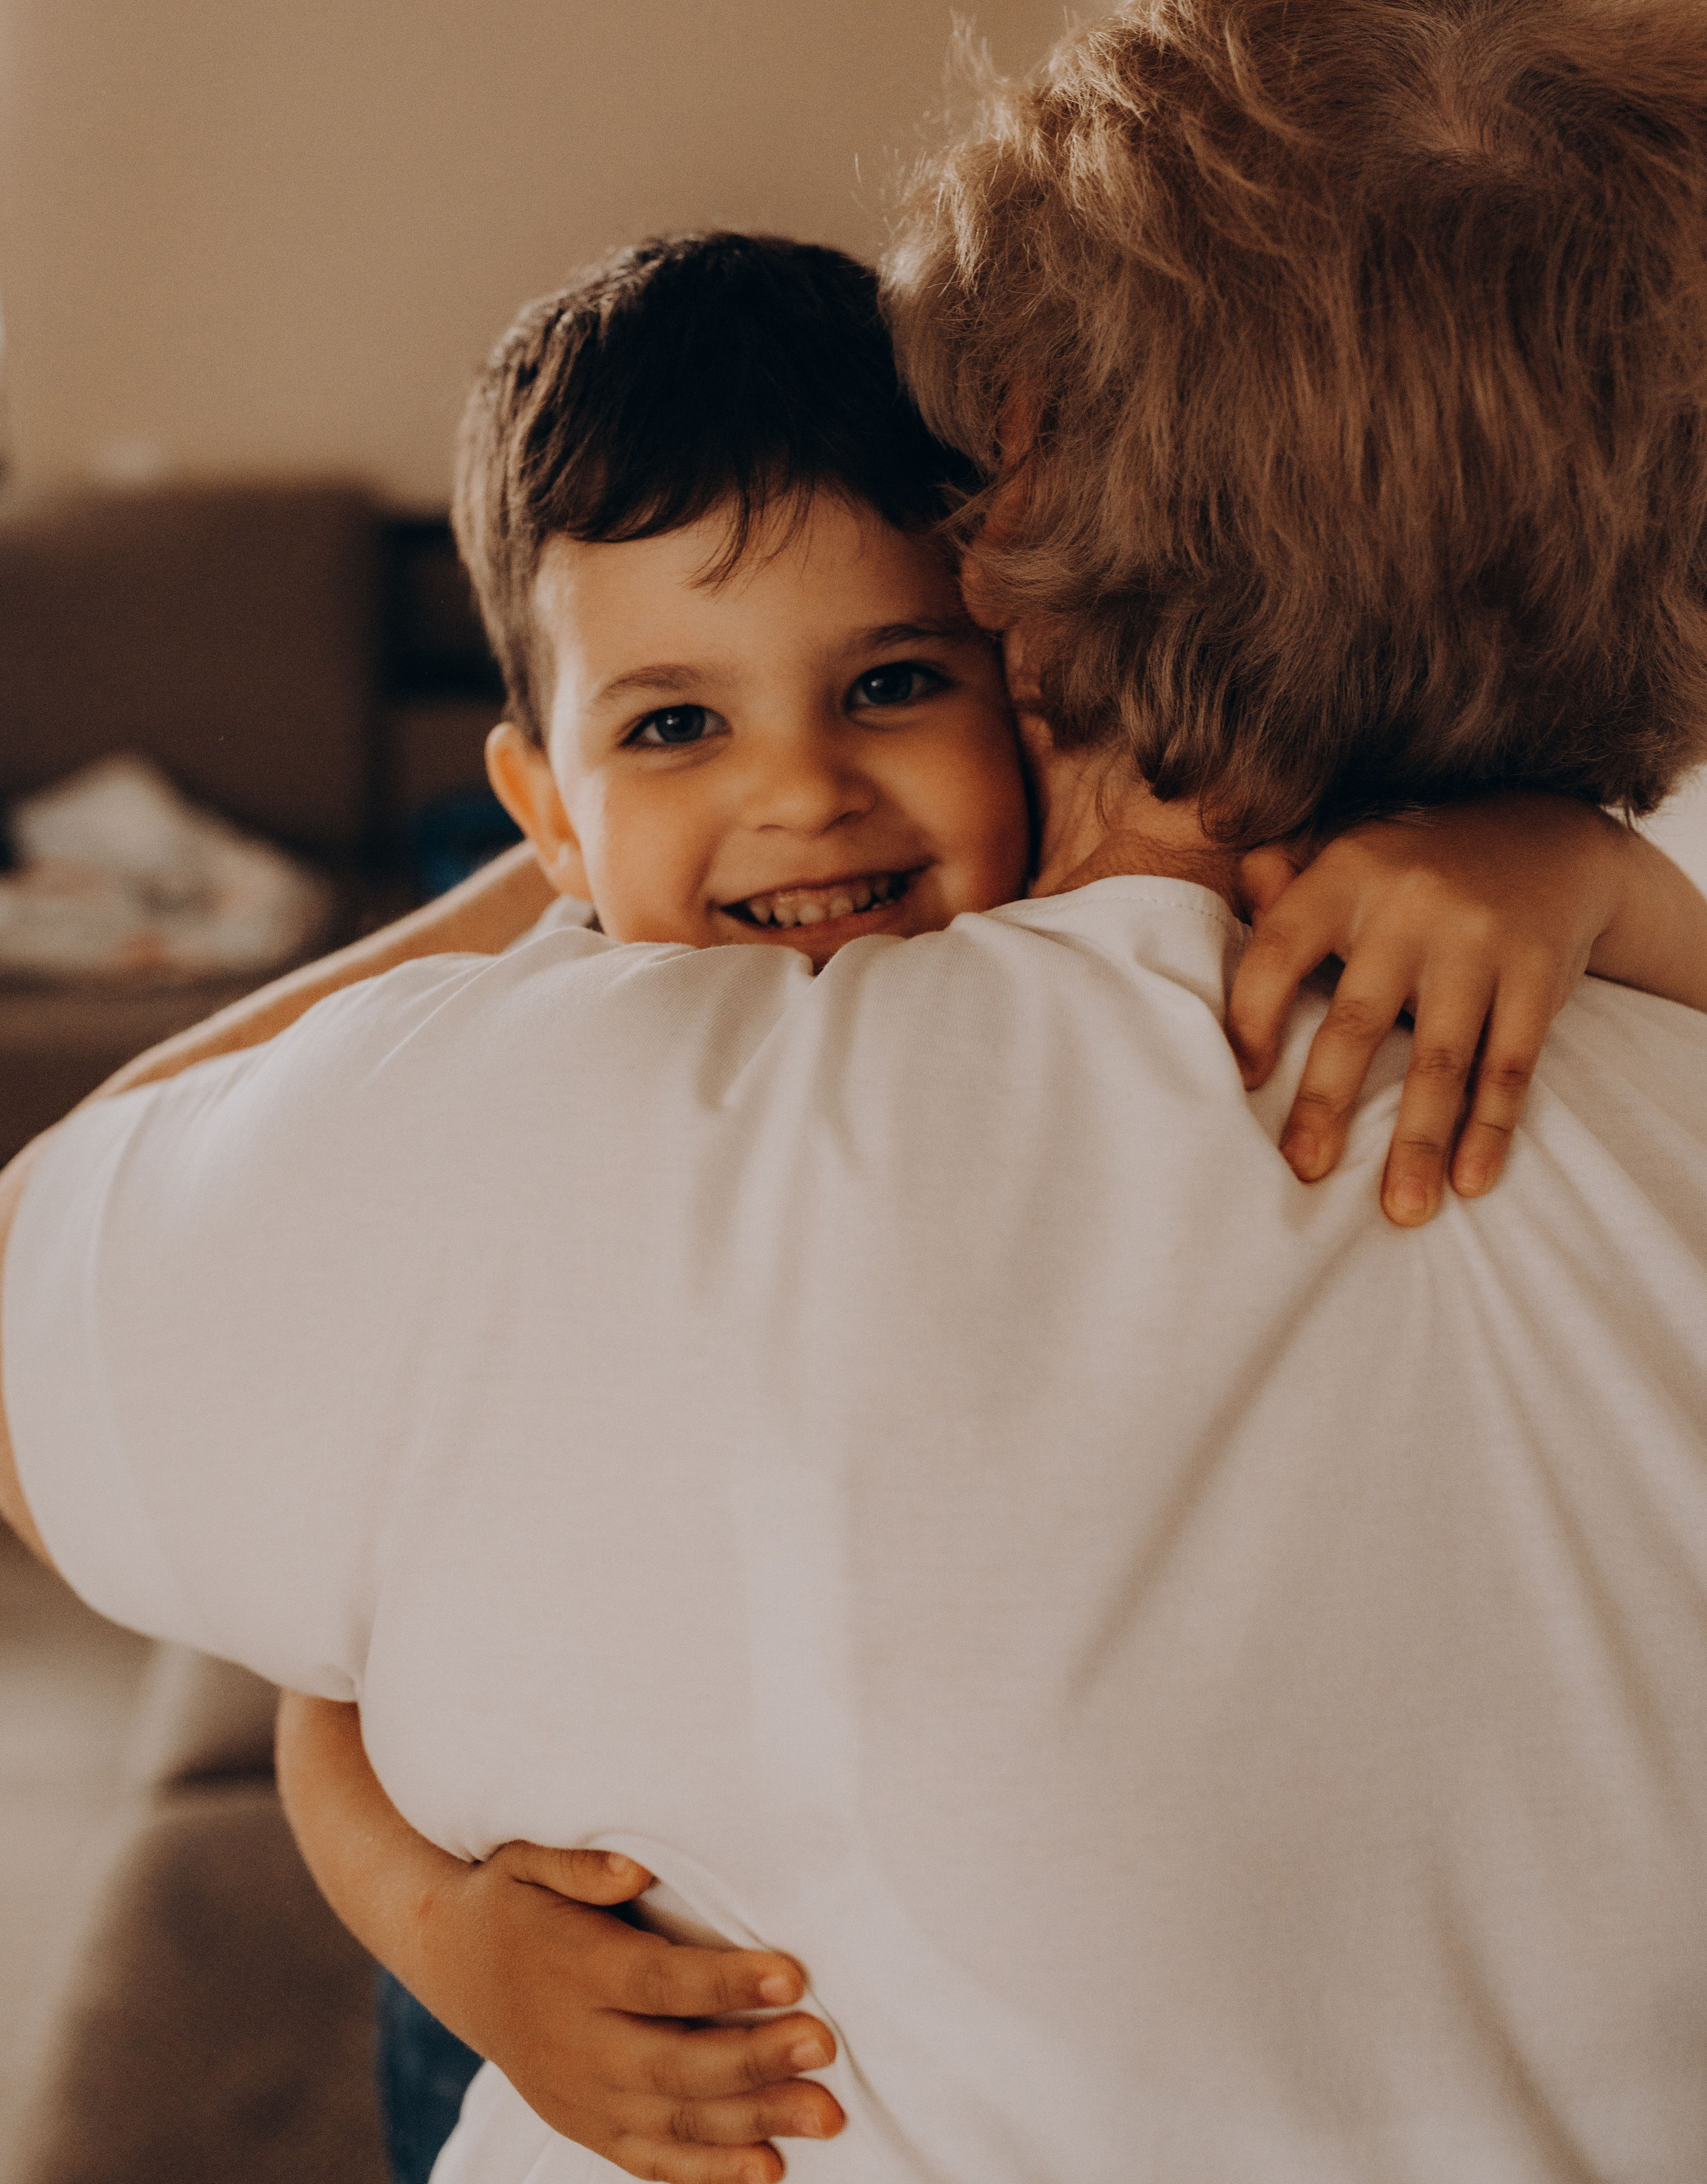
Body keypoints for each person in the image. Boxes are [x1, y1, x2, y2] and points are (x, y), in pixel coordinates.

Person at [5, 7, 1707, 2177]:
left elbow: (54, 1301)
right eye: (674, 726)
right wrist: (1596, 870)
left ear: (1027, 552)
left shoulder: (588, 1137)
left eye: (901, 671)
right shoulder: (1576, 965)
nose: (802, 793)